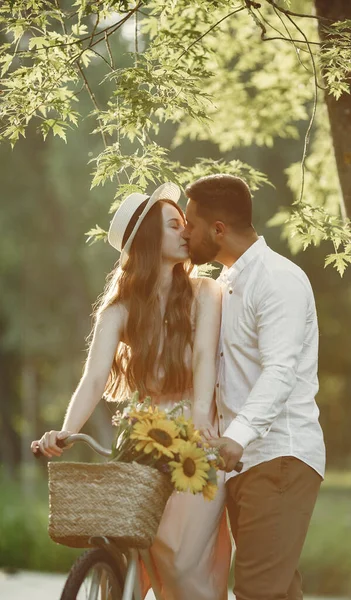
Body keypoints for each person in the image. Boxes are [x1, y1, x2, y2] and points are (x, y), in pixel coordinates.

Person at [31, 182, 231, 600]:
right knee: (137, 539)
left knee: (182, 557)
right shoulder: (120, 309)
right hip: (146, 434)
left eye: (184, 225)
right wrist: (65, 431)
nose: (186, 232)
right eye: (174, 226)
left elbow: (203, 361)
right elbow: (94, 379)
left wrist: (197, 419)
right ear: (148, 241)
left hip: (197, 434)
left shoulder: (205, 292)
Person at [182, 174, 326, 600]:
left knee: (256, 591)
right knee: (276, 593)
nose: (186, 233)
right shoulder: (225, 285)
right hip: (244, 464)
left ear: (218, 230)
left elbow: (280, 371)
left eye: (190, 224)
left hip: (279, 456)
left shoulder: (278, 279)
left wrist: (237, 437)